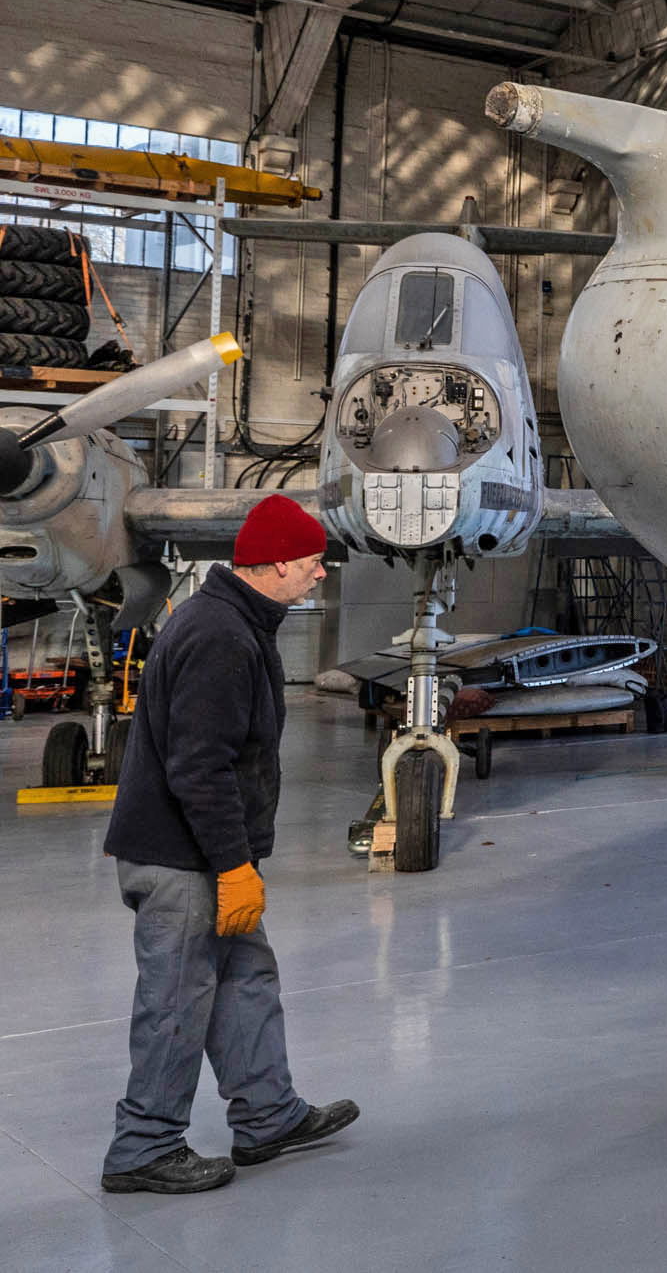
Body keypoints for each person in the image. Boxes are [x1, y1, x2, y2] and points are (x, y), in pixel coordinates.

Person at [99, 494, 359, 1195]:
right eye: (311, 564)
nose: (319, 576)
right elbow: (199, 767)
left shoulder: (234, 620)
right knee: (178, 999)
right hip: (183, 860)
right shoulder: (221, 635)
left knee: (245, 979)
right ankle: (142, 1148)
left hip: (205, 856)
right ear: (273, 566)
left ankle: (267, 1114)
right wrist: (235, 865)